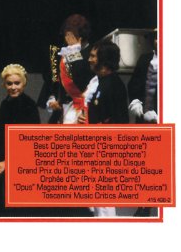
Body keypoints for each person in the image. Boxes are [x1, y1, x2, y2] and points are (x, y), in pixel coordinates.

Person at [0, 64, 42, 215]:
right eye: (9, 83)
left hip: (16, 166)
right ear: (4, 84)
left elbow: (31, 144)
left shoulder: (29, 106)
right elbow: (0, 136)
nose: (13, 87)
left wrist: (8, 163)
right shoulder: (5, 103)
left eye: (17, 83)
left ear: (24, 83)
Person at [78, 39, 129, 218]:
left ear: (104, 59)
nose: (89, 59)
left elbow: (120, 122)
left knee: (104, 200)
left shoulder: (114, 85)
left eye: (93, 56)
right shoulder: (99, 82)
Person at [39, 14, 94, 124]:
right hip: (62, 112)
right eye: (66, 35)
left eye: (72, 34)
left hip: (85, 110)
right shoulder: (61, 53)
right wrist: (52, 98)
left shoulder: (93, 54)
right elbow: (53, 80)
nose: (67, 38)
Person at [128, 29, 158, 124]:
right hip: (143, 117)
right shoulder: (144, 59)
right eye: (156, 38)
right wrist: (135, 102)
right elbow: (133, 84)